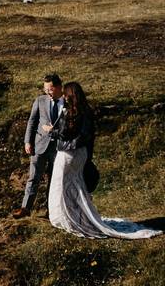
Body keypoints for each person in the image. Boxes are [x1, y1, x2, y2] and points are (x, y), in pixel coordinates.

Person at [46, 82, 161, 239]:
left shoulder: (73, 112)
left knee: (62, 186)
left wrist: (53, 132)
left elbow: (71, 135)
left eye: (66, 94)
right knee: (74, 186)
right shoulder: (84, 111)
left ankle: (68, 218)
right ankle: (76, 216)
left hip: (69, 154)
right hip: (78, 154)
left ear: (70, 95)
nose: (64, 97)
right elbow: (83, 136)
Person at [13, 73, 64, 218]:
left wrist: (56, 131)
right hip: (39, 146)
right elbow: (32, 121)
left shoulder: (68, 103)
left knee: (54, 181)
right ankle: (25, 208)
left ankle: (51, 211)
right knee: (33, 178)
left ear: (59, 87)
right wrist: (27, 141)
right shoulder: (40, 101)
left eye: (51, 89)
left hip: (59, 149)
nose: (48, 92)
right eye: (45, 89)